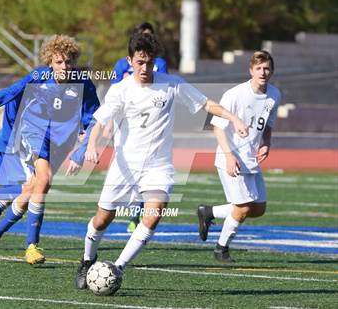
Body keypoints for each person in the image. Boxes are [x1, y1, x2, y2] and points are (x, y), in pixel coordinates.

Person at [75, 32, 248, 289]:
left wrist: (233, 118)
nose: (145, 68)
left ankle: (117, 268)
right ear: (129, 60)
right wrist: (91, 146)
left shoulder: (171, 84)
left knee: (153, 215)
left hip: (159, 166)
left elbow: (206, 104)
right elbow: (100, 122)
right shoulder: (120, 89)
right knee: (103, 218)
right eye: (139, 62)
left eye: (149, 62)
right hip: (125, 166)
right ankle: (88, 260)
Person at [0, 34, 100, 264]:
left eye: (68, 61)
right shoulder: (38, 77)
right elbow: (7, 94)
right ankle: (31, 246)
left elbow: (94, 119)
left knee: (33, 187)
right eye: (59, 62)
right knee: (43, 179)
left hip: (59, 140)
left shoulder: (83, 83)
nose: (64, 67)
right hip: (33, 132)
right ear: (49, 63)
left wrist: (81, 151)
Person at [197, 50, 281, 262]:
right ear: (251, 70)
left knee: (258, 208)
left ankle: (208, 212)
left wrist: (266, 143)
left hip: (251, 158)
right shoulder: (235, 94)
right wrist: (228, 156)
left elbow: (268, 124)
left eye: (267, 68)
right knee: (243, 208)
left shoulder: (274, 94)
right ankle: (221, 249)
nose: (263, 72)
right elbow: (217, 127)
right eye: (259, 68)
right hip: (231, 156)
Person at [109, 22, 168, 233]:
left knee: (151, 179)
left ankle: (137, 216)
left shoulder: (159, 63)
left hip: (150, 123)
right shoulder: (121, 64)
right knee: (126, 174)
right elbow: (114, 88)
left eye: (150, 36)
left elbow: (163, 88)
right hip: (127, 122)